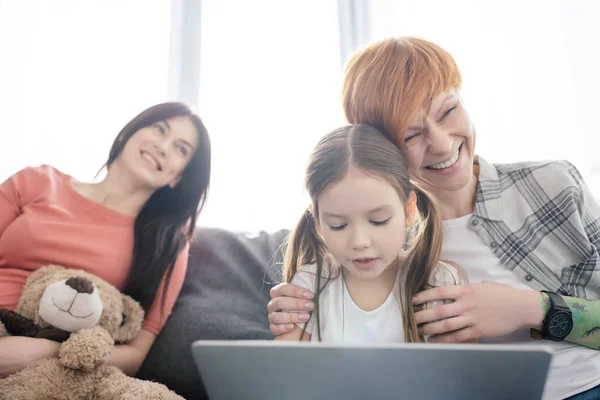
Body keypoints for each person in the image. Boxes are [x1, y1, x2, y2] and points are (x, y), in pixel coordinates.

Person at [268, 37, 600, 399]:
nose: (442, 144)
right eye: (412, 134)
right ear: (383, 150)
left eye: (448, 111)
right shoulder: (382, 247)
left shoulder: (552, 184)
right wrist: (295, 310)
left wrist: (531, 308)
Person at [0, 102, 211, 378]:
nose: (163, 147)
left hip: (54, 372)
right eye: (160, 129)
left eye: (180, 149)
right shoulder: (36, 181)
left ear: (178, 176)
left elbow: (136, 353)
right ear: (127, 133)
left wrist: (44, 353)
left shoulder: (167, 245)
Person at [275, 124, 465, 343]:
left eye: (378, 221)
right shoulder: (310, 285)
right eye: (338, 225)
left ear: (409, 210)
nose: (360, 242)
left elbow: (460, 372)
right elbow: (283, 372)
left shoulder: (438, 283)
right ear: (317, 221)